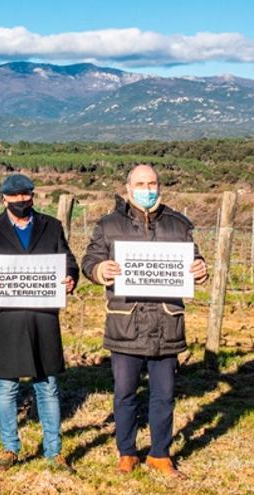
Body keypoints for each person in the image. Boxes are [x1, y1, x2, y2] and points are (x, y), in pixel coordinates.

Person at [81, 164, 208, 478]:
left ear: (159, 187)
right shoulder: (109, 225)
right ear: (128, 189)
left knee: (164, 395)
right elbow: (90, 261)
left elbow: (194, 259)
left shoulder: (179, 225)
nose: (147, 189)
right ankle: (126, 452)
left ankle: (160, 454)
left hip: (167, 324)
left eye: (152, 183)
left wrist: (200, 268)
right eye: (140, 184)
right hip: (126, 324)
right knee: (125, 394)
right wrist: (99, 271)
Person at [0, 174, 79, 473]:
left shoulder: (51, 226)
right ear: (4, 198)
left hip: (43, 316)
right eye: (14, 196)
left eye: (25, 194)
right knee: (6, 387)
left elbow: (68, 261)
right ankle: (10, 449)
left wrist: (70, 278)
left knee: (48, 385)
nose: (20, 200)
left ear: (32, 196)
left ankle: (54, 452)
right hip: (7, 318)